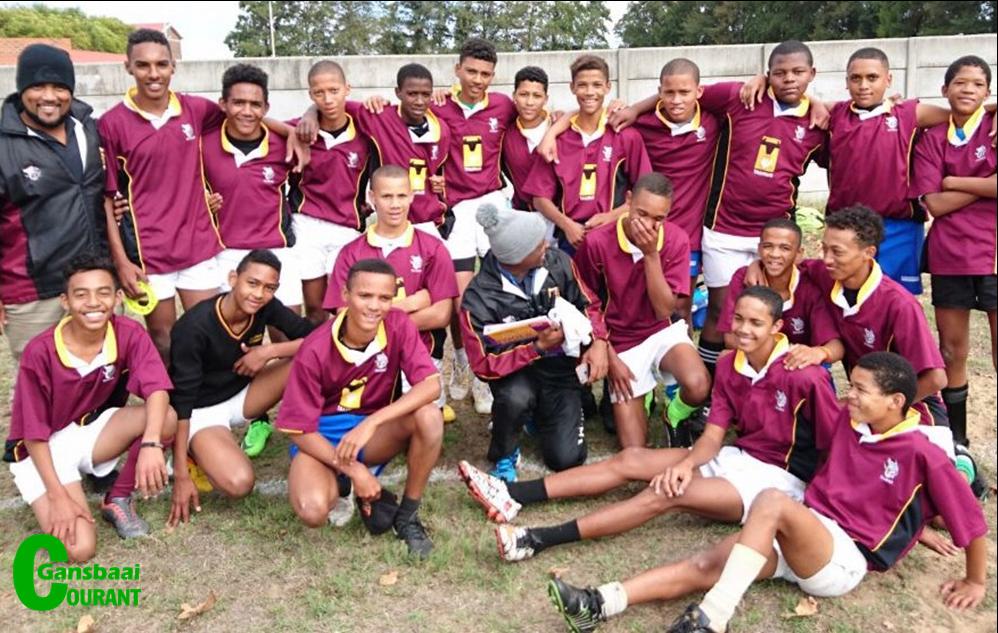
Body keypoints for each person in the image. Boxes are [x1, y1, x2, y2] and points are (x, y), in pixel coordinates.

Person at [547, 353, 988, 633]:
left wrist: (975, 580)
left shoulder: (923, 452)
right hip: (803, 531)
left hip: (844, 558)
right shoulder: (851, 422)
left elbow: (970, 520)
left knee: (773, 500)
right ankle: (598, 603)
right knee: (706, 564)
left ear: (895, 402)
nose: (848, 396)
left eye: (859, 390)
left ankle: (713, 617)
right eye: (850, 385)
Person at [459, 287, 840, 567]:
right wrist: (687, 463)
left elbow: (834, 444)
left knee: (665, 492)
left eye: (756, 323)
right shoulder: (728, 364)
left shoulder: (805, 376)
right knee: (632, 459)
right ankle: (509, 493)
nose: (743, 329)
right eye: (739, 319)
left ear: (777, 326)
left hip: (780, 480)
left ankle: (536, 539)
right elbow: (713, 434)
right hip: (738, 456)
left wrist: (819, 509)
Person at [619, 41, 827, 379]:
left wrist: (818, 103)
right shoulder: (739, 98)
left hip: (773, 232)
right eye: (779, 73)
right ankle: (711, 385)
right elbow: (682, 93)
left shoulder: (819, 122)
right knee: (721, 309)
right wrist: (632, 109)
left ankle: (768, 382)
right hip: (723, 229)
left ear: (812, 74)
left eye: (798, 72)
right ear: (767, 74)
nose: (789, 78)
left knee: (769, 309)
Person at [101, 29, 304, 360]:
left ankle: (220, 391)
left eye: (161, 64)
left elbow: (243, 113)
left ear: (173, 66)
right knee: (163, 339)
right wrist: (121, 261)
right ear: (128, 67)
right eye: (143, 65)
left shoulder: (194, 109)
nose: (153, 73)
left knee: (213, 333)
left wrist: (289, 130)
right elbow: (107, 198)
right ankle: (173, 393)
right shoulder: (111, 123)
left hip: (200, 246)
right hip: (149, 252)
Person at [741, 46, 996, 295]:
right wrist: (763, 79)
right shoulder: (835, 114)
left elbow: (962, 112)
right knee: (848, 294)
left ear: (888, 79)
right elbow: (796, 99)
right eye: (856, 78)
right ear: (846, 82)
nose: (864, 85)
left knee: (897, 298)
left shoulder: (910, 113)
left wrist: (994, 111)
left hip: (900, 227)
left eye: (872, 78)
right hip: (847, 227)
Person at [4, 255, 175, 559]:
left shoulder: (128, 332)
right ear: (65, 301)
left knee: (166, 418)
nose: (93, 303)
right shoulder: (40, 351)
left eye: (103, 292)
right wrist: (57, 495)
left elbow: (157, 390)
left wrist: (151, 443)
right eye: (81, 294)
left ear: (117, 297)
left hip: (87, 432)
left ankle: (118, 497)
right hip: (40, 451)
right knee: (79, 549)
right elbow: (33, 434)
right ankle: (59, 489)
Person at [277, 259, 444, 558]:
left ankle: (407, 516)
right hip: (321, 438)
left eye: (384, 298)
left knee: (430, 416)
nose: (374, 306)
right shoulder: (315, 347)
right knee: (313, 511)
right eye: (365, 295)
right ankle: (344, 480)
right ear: (345, 295)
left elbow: (431, 386)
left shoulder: (398, 324)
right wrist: (354, 470)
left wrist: (371, 423)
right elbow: (298, 430)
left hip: (372, 434)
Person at [458, 204, 609, 482]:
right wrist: (536, 348)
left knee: (567, 459)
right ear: (516, 255)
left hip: (560, 371)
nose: (546, 246)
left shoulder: (557, 262)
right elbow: (482, 365)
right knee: (515, 398)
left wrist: (599, 341)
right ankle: (504, 453)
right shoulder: (478, 298)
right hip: (515, 376)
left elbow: (589, 303)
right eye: (538, 244)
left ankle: (537, 417)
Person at [167, 250, 314, 524]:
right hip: (201, 412)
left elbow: (319, 338)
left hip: (243, 395)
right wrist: (181, 475)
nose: (259, 294)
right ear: (233, 278)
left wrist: (269, 352)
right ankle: (191, 453)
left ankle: (319, 432)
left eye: (269, 287)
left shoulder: (265, 306)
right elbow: (182, 402)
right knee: (239, 483)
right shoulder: (193, 327)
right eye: (252, 283)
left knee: (308, 359)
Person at [572, 173, 710, 448]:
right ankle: (643, 393)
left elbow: (664, 311)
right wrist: (609, 355)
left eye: (658, 218)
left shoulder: (676, 239)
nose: (648, 225)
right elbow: (584, 303)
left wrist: (650, 254)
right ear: (628, 201)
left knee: (698, 385)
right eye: (642, 214)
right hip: (619, 341)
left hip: (660, 330)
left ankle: (674, 414)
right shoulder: (597, 242)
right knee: (633, 448)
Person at [323, 165, 459, 421]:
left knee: (426, 422)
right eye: (386, 196)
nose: (395, 205)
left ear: (411, 196)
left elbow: (441, 315)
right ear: (372, 198)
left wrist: (373, 315)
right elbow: (345, 316)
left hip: (420, 353)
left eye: (401, 196)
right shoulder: (351, 252)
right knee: (365, 427)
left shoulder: (433, 248)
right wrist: (410, 303)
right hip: (367, 355)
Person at [911, 55, 996, 451]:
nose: (968, 90)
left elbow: (946, 191)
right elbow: (934, 204)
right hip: (950, 255)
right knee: (951, 351)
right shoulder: (932, 137)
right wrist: (985, 184)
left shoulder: (993, 127)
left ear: (988, 92)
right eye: (960, 83)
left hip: (993, 254)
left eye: (978, 84)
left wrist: (954, 180)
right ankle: (958, 440)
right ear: (944, 90)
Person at [0, 44, 106, 363]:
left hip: (93, 281)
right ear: (21, 88)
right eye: (37, 86)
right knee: (41, 380)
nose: (49, 96)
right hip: (33, 293)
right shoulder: (4, 144)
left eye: (59, 87)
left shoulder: (88, 128)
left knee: (100, 373)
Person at [524, 54, 652, 255]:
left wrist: (611, 216)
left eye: (597, 85)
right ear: (572, 87)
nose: (590, 92)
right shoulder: (557, 139)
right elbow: (539, 198)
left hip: (616, 234)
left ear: (607, 87)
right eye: (582, 85)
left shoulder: (626, 135)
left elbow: (646, 193)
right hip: (571, 238)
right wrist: (567, 225)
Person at [203, 63, 303, 318]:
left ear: (266, 108)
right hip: (226, 252)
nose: (247, 111)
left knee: (288, 332)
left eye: (255, 104)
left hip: (277, 249)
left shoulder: (285, 144)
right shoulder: (203, 145)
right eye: (238, 103)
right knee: (230, 331)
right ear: (223, 104)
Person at [287, 60, 373, 324]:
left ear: (347, 89)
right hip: (307, 225)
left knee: (344, 306)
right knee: (314, 307)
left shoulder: (365, 130)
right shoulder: (301, 131)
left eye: (334, 91)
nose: (327, 99)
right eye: (319, 93)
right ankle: (314, 350)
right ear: (310, 94)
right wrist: (304, 120)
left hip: (347, 228)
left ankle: (342, 351)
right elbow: (261, 125)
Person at [717, 218, 843, 367]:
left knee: (815, 370)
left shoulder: (809, 285)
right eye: (768, 246)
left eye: (785, 248)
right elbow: (730, 339)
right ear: (759, 249)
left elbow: (835, 346)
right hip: (755, 361)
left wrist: (818, 352)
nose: (775, 254)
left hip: (797, 365)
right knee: (725, 358)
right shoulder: (744, 278)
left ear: (799, 254)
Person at [501, 66, 551, 213]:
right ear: (514, 96)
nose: (529, 102)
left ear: (546, 99)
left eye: (537, 96)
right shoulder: (505, 135)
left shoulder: (559, 129)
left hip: (561, 216)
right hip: (523, 214)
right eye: (524, 94)